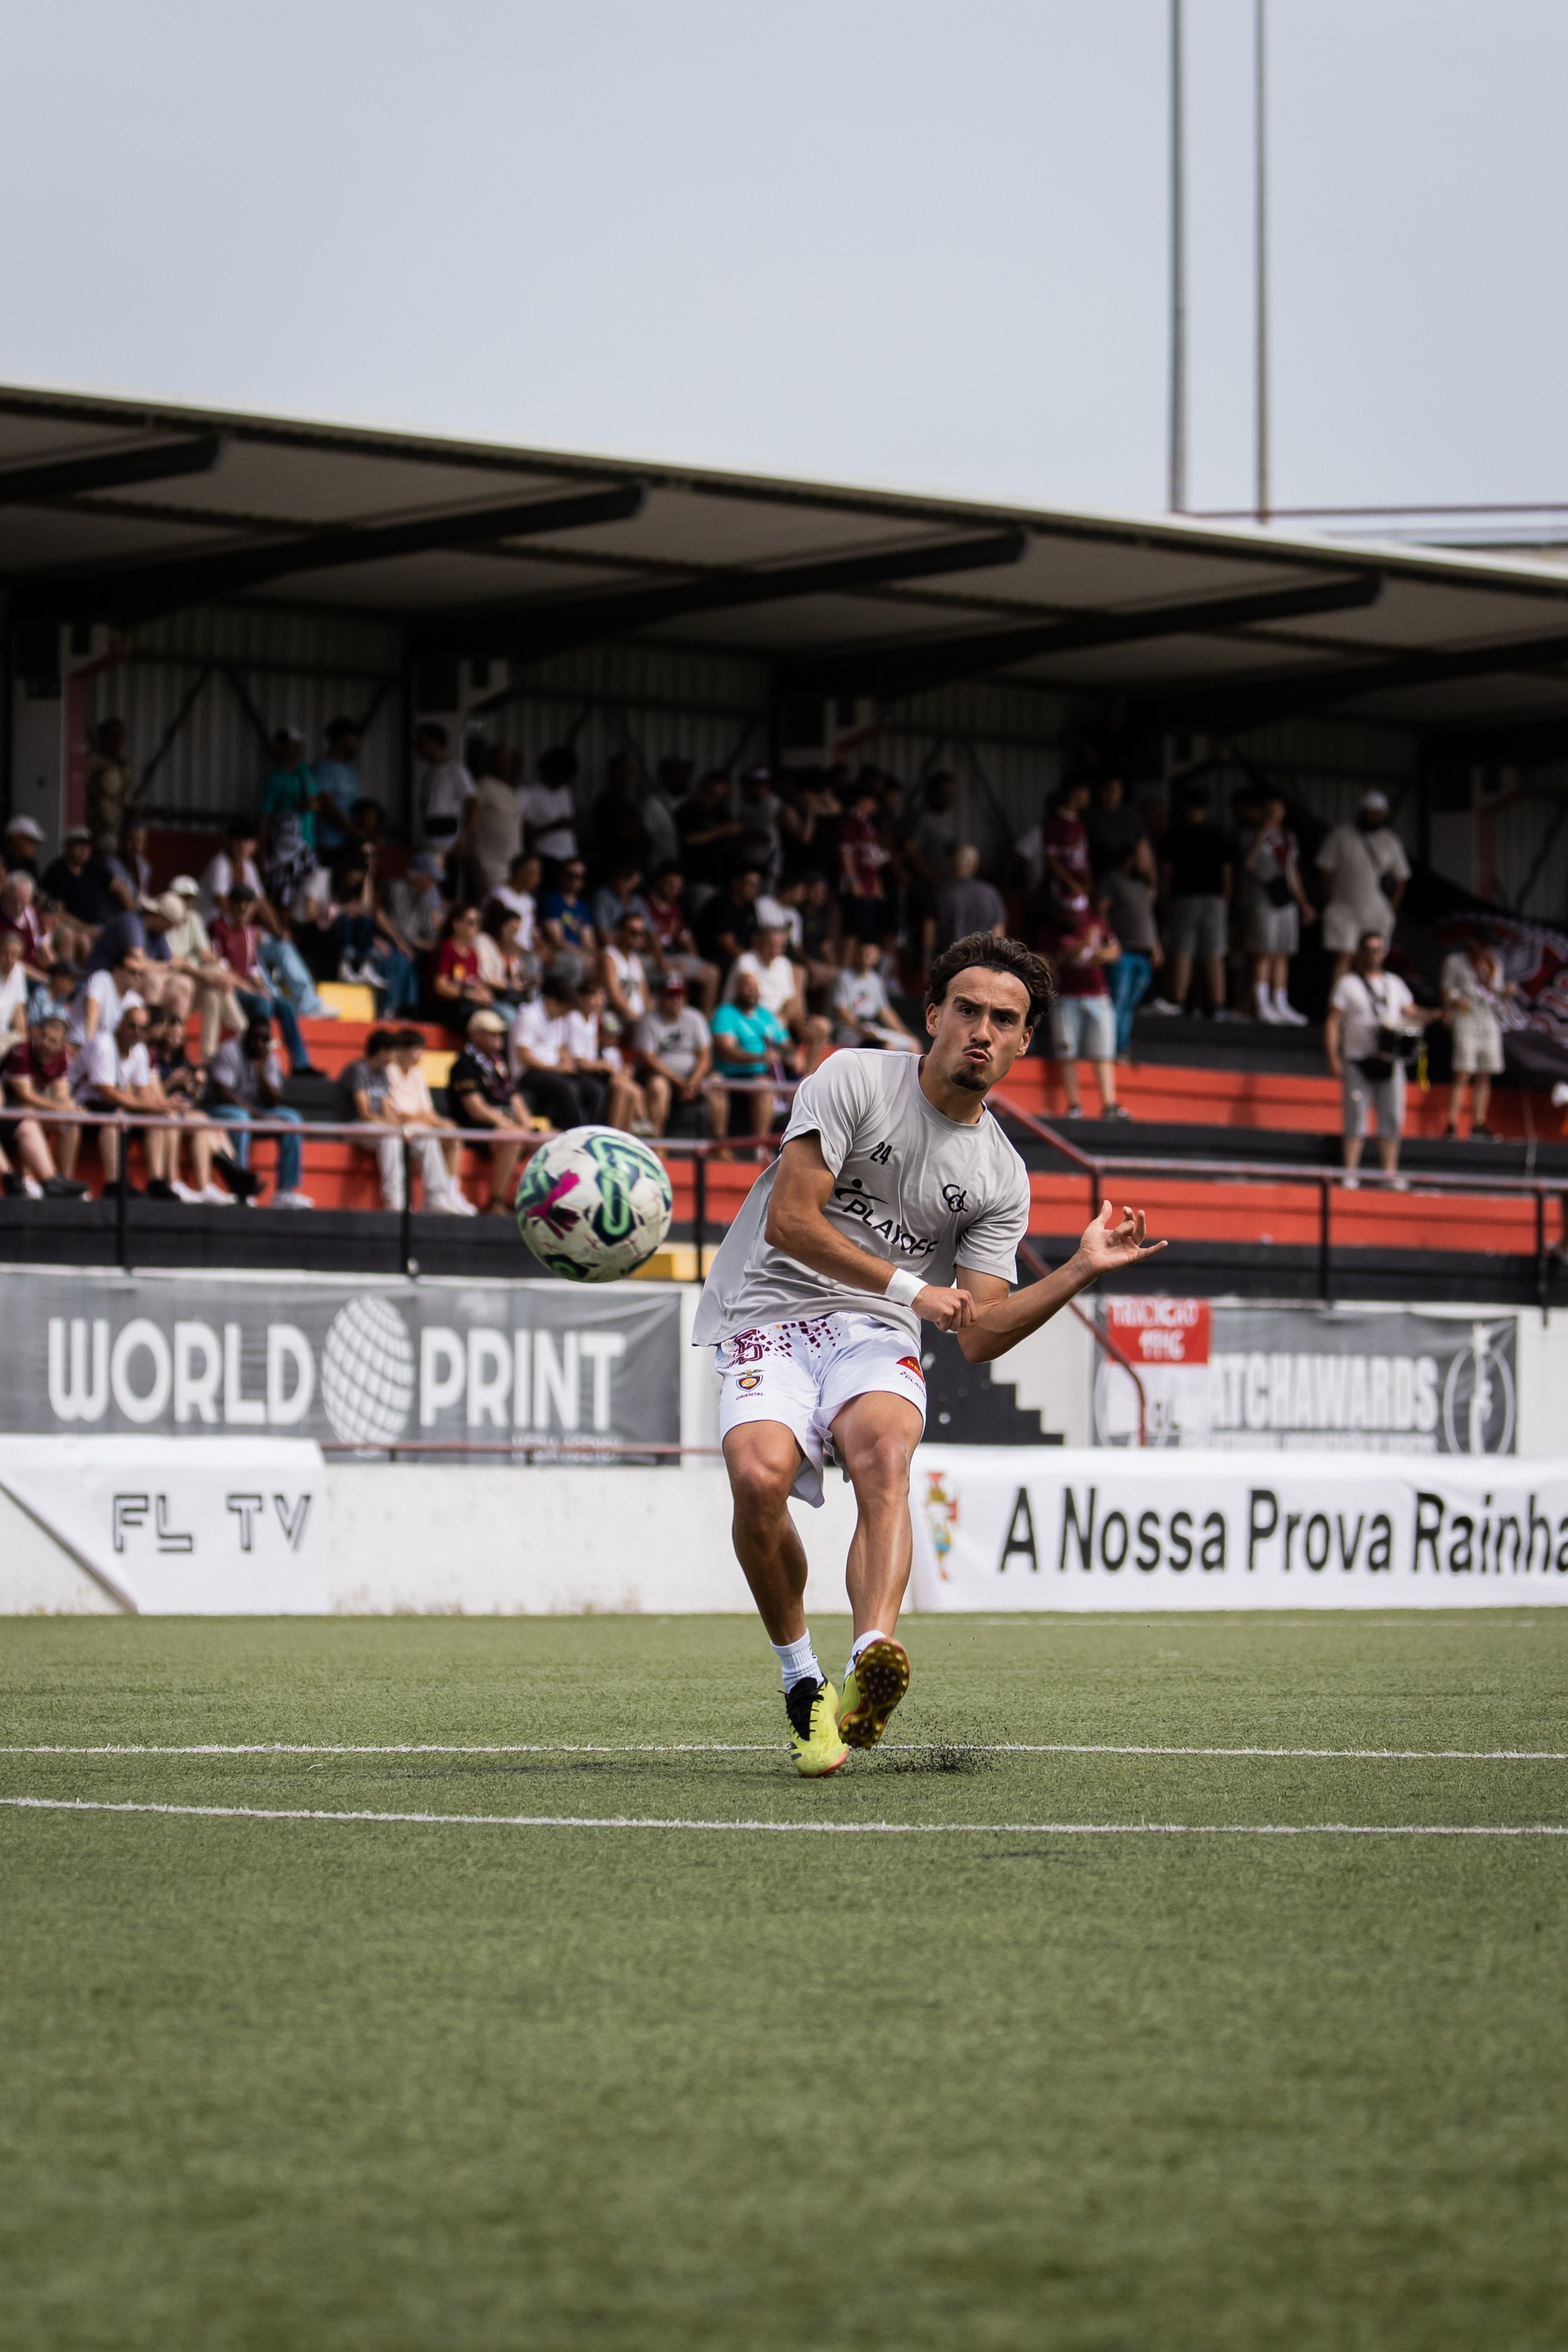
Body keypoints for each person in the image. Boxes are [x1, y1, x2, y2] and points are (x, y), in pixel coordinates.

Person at [695, 932, 1163, 1776]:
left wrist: (1081, 1270)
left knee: (885, 1454)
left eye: (1005, 1020)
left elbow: (979, 1331)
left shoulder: (1001, 1175)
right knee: (758, 1480)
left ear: (1024, 1042)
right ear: (933, 1016)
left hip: (874, 1329)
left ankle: (870, 1657)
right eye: (969, 1010)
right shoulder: (852, 1078)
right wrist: (915, 1289)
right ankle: (801, 1681)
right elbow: (790, 1223)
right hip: (770, 1308)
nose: (983, 1030)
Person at [1324, 930, 1439, 1182]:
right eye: (1367, 950)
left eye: (1377, 950)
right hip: (1358, 1059)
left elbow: (1410, 1011)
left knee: (1392, 1116)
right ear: (1359, 953)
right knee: (1355, 1115)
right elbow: (1333, 1023)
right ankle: (1350, 1174)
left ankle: (1389, 1174)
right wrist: (1333, 1056)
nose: (1372, 955)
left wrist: (1434, 1014)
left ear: (1384, 952)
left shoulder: (1394, 983)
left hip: (1390, 1060)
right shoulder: (1347, 984)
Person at [72, 999, 178, 1197]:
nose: (137, 1032)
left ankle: (156, 1181)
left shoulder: (140, 1050)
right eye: (132, 1026)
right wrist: (150, 1106)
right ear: (120, 1025)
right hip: (82, 1102)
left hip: (110, 1103)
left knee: (158, 1119)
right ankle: (115, 1184)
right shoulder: (103, 1044)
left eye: (142, 1028)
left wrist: (163, 1106)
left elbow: (143, 1092)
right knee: (117, 1117)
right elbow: (106, 1092)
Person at [209, 886, 318, 1075]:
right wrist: (248, 988)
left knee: (284, 1004)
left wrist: (264, 990)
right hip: (229, 989)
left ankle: (300, 1063)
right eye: (239, 903)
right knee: (262, 1003)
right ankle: (260, 1058)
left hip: (249, 989)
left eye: (247, 904)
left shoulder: (250, 933)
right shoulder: (218, 928)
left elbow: (254, 970)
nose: (243, 908)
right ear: (230, 905)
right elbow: (220, 967)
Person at [206, 1015, 313, 1207]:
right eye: (255, 1038)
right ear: (245, 1036)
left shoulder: (269, 1058)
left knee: (292, 1119)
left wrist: (261, 1071)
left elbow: (273, 1100)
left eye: (264, 1040)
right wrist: (260, 1116)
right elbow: (223, 1094)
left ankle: (285, 1192)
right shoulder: (229, 1051)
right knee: (240, 1118)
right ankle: (241, 1189)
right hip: (220, 1111)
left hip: (255, 1113)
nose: (259, 1044)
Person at [1317, 792, 1411, 984]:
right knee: (1344, 956)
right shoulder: (1341, 835)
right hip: (1344, 908)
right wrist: (1329, 898)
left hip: (1376, 910)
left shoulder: (1389, 840)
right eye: (1370, 813)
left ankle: (1370, 1000)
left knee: (1372, 958)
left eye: (1378, 814)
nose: (1374, 818)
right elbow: (1325, 870)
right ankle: (1340, 1000)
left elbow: (1402, 877)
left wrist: (1391, 907)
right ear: (1362, 811)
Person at [447, 1008, 536, 1212]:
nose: (498, 1038)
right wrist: (507, 1124)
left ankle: (526, 1200)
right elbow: (476, 1109)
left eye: (499, 1033)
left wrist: (527, 1124)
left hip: (503, 1124)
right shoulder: (464, 1065)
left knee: (547, 1140)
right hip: (476, 1128)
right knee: (512, 1139)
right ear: (475, 1035)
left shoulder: (499, 1063)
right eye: (492, 1033)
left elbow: (515, 1097)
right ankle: (496, 1201)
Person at [1238, 793, 1314, 1023]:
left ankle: (1281, 1003)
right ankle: (1261, 1004)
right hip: (1262, 899)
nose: (1274, 814)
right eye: (1269, 810)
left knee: (1283, 952)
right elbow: (1248, 863)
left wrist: (1303, 903)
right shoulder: (1250, 834)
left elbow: (1292, 871)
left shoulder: (1289, 837)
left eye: (1278, 810)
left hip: (1285, 900)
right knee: (1264, 952)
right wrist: (1262, 835)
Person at [1160, 786, 1233, 1016]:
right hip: (1213, 899)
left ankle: (1179, 1001)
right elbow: (1227, 872)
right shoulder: (1217, 834)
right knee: (1214, 953)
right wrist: (1226, 900)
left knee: (1183, 951)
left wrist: (1164, 898)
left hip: (1184, 898)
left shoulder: (1175, 834)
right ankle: (1218, 1006)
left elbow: (1167, 872)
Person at [1049, 906, 1129, 1119]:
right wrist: (1066, 954)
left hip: (1097, 993)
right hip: (1067, 994)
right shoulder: (1054, 928)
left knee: (1103, 1050)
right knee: (1067, 1050)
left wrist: (1098, 954)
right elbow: (1044, 961)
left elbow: (1115, 951)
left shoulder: (1096, 923)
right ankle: (1074, 1106)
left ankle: (1109, 1105)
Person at [383, 1028, 474, 1212]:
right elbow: (402, 1114)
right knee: (430, 1139)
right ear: (401, 1051)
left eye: (421, 1049)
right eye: (416, 1049)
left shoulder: (417, 1073)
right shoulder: (389, 1072)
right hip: (401, 1127)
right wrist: (437, 1123)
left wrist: (442, 1123)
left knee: (453, 1136)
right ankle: (435, 1195)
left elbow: (427, 1110)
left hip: (420, 1125)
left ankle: (450, 1193)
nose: (420, 1055)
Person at [4, 1011, 90, 1195]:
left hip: (29, 1112)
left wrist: (69, 1108)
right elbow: (25, 1095)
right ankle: (27, 1179)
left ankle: (64, 1180)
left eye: (52, 1040)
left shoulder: (61, 1057)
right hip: (11, 1109)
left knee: (71, 1122)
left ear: (62, 1044)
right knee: (29, 1115)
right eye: (43, 1036)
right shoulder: (22, 1052)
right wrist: (61, 1107)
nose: (45, 1043)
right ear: (35, 1033)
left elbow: (61, 1095)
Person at [711, 966, 795, 1143]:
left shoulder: (766, 1016)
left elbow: (786, 1044)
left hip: (767, 1074)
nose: (752, 991)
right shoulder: (725, 1013)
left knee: (805, 1083)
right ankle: (723, 1144)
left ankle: (764, 1148)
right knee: (760, 1085)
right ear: (736, 989)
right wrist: (760, 1058)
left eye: (756, 987)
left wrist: (789, 1056)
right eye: (748, 986)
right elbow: (726, 1050)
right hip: (733, 1074)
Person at [633, 969, 719, 1137]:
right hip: (660, 1075)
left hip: (691, 1077)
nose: (676, 999)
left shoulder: (695, 1017)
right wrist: (679, 1082)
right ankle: (657, 1141)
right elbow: (648, 1059)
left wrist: (692, 1082)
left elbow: (705, 1056)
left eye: (680, 995)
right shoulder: (648, 1020)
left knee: (717, 1083)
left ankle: (718, 1142)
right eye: (671, 995)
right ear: (660, 997)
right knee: (658, 1086)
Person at [1441, 935, 1511, 1141]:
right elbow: (1446, 990)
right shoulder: (1456, 961)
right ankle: (1452, 1124)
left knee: (1485, 1072)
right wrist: (1456, 1000)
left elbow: (1495, 993)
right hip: (1466, 1016)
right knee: (1463, 1071)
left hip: (1488, 1018)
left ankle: (1478, 1124)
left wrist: (1506, 992)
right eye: (1484, 944)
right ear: (1474, 942)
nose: (1487, 950)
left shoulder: (1494, 964)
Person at [510, 976, 604, 1128]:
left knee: (595, 1090)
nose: (565, 1015)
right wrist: (555, 1069)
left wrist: (567, 1061)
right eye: (564, 1010)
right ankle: (576, 1132)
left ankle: (593, 1130)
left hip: (551, 1070)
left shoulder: (557, 1019)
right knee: (568, 1088)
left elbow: (558, 1047)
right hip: (528, 1073)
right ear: (553, 1002)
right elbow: (525, 1056)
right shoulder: (529, 1017)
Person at [1099, 844, 1162, 1055]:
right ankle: (1111, 1049)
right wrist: (1110, 940)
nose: (1148, 863)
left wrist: (1156, 945)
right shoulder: (1113, 880)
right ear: (1130, 859)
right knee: (1118, 1001)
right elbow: (1101, 911)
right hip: (1123, 953)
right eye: (1143, 858)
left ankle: (1122, 1047)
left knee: (1130, 1005)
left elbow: (1148, 917)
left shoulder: (1142, 885)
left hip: (1143, 953)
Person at [259, 726, 320, 906]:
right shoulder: (273, 778)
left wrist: (308, 799)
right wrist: (262, 849)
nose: (294, 749)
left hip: (307, 844)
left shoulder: (306, 772)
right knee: (282, 891)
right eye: (289, 745)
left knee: (307, 892)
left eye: (297, 745)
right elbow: (265, 815)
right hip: (282, 845)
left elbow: (315, 803)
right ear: (280, 747)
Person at [645, 863, 718, 1011]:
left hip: (673, 956)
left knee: (712, 973)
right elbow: (647, 939)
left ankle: (703, 1020)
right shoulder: (645, 904)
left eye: (678, 887)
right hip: (652, 957)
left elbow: (686, 937)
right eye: (670, 885)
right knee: (678, 972)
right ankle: (678, 1018)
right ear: (659, 881)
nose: (674, 890)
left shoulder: (676, 908)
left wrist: (693, 959)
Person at [837, 775, 893, 951]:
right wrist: (853, 880)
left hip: (868, 887)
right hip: (856, 886)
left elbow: (872, 855)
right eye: (873, 801)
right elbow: (845, 852)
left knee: (865, 934)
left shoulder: (866, 823)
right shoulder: (850, 822)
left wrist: (876, 881)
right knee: (853, 932)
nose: (875, 806)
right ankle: (846, 968)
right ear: (862, 800)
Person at [831, 939, 918, 1050]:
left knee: (913, 1044)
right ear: (856, 954)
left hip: (872, 1027)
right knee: (887, 1046)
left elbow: (885, 1011)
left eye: (870, 953)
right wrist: (861, 1030)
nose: (865, 957)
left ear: (877, 956)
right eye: (863, 952)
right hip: (850, 1030)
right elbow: (841, 1011)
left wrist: (904, 1032)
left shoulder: (875, 980)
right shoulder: (844, 977)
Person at [413, 722, 477, 864]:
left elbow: (472, 802)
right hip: (430, 838)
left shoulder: (456, 770)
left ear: (436, 743)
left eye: (422, 742)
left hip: (450, 841)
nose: (418, 747)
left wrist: (465, 836)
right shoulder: (429, 773)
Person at [929, 843, 1006, 961]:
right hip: (982, 962)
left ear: (953, 864)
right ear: (975, 865)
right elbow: (999, 935)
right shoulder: (991, 894)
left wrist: (927, 962)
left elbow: (929, 933)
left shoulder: (940, 893)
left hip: (949, 963)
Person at [585, 752, 650, 885]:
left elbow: (646, 837)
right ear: (612, 774)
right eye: (622, 771)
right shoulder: (606, 802)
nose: (627, 776)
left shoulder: (629, 805)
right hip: (612, 871)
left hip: (632, 870)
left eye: (629, 772)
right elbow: (619, 835)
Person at [467, 743, 523, 898]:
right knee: (495, 903)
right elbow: (471, 813)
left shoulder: (509, 789)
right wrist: (465, 840)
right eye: (501, 759)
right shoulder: (484, 785)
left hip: (511, 863)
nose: (506, 764)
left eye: (509, 760)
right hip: (490, 862)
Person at [431, 903, 494, 1034]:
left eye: (478, 923)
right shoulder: (447, 949)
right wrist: (468, 995)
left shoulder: (473, 953)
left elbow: (475, 981)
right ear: (456, 924)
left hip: (466, 1006)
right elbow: (441, 986)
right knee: (484, 1025)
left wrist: (484, 994)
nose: (476, 927)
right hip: (445, 1007)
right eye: (471, 923)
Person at [694, 863, 763, 981]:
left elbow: (756, 938)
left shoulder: (750, 907)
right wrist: (752, 962)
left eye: (757, 886)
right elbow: (727, 945)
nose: (755, 890)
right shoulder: (721, 904)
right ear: (736, 883)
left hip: (742, 955)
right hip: (714, 957)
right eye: (751, 885)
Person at [676, 770, 743, 891]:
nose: (716, 798)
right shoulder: (690, 811)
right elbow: (689, 840)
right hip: (699, 877)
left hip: (723, 878)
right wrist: (721, 830)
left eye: (721, 794)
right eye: (713, 793)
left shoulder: (722, 813)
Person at [312, 716, 369, 860]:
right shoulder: (323, 768)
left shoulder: (351, 772)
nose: (358, 743)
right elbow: (328, 807)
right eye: (354, 738)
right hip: (328, 844)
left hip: (349, 843)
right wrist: (355, 832)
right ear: (341, 739)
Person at [518, 744, 580, 870]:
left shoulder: (565, 792)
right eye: (560, 774)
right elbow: (524, 832)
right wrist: (554, 826)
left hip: (569, 857)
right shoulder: (529, 793)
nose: (563, 779)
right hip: (546, 858)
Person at [538, 857, 597, 979]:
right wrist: (582, 955)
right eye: (570, 875)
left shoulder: (583, 906)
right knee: (577, 963)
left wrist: (592, 955)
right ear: (560, 876)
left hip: (579, 954)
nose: (574, 880)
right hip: (558, 954)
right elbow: (557, 940)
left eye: (579, 876)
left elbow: (589, 941)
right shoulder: (552, 901)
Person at [85, 718, 134, 844]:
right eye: (113, 736)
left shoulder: (123, 767)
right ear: (103, 738)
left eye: (120, 736)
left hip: (120, 830)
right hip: (99, 831)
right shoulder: (93, 763)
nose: (117, 741)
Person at [3, 813, 44, 885]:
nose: (35, 846)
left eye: (36, 843)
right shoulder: (2, 863)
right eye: (30, 840)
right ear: (15, 838)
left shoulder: (30, 865)